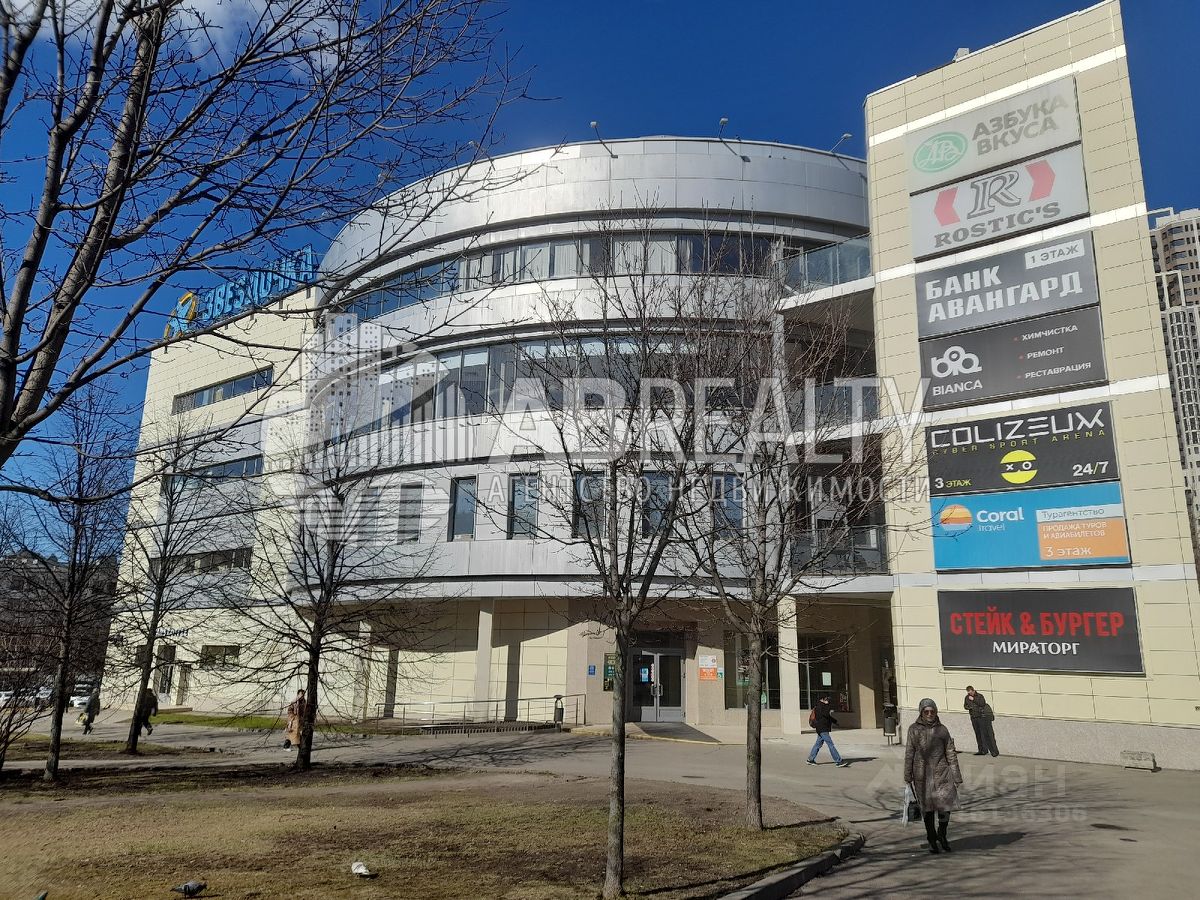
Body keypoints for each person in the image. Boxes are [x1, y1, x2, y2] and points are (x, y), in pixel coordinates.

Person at [905, 698, 963, 854]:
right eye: (926, 711)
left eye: (932, 711)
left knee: (945, 807)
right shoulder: (913, 729)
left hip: (942, 773)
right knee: (928, 809)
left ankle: (942, 834)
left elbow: (950, 752)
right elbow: (909, 752)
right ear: (921, 713)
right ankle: (931, 839)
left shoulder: (942, 730)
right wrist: (907, 775)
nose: (930, 714)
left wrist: (956, 776)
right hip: (922, 775)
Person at [806, 696, 850, 768]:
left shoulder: (820, 706)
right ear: (822, 699)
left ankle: (810, 759)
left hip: (821, 729)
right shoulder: (821, 706)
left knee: (818, 744)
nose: (827, 701)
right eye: (826, 699)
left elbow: (827, 716)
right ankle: (838, 761)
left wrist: (835, 721)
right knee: (830, 745)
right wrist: (827, 705)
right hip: (823, 729)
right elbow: (826, 714)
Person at [964, 686, 999, 757]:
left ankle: (994, 751)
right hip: (974, 717)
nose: (969, 694)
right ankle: (982, 750)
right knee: (978, 734)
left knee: (987, 734)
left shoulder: (979, 696)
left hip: (982, 717)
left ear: (973, 690)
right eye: (968, 692)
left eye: (970, 692)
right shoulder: (967, 697)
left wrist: (973, 699)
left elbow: (982, 703)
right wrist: (969, 707)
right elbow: (965, 706)